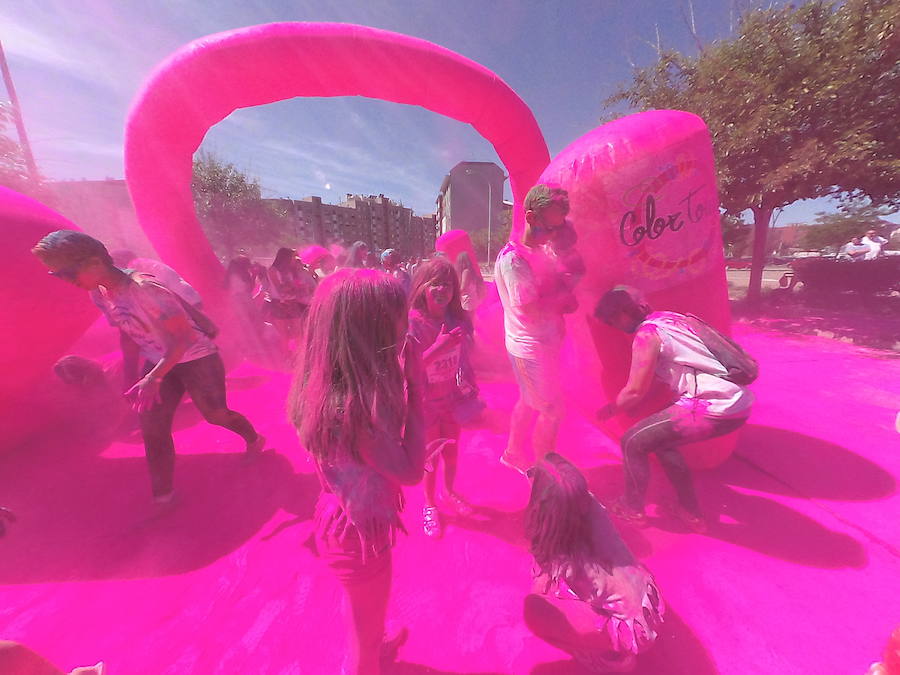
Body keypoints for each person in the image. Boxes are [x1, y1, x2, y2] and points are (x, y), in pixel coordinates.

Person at [32, 231, 265, 504]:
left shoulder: (144, 288)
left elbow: (184, 339)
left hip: (196, 357)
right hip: (158, 362)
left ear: (94, 262)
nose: (67, 281)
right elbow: (127, 333)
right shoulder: (99, 294)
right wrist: (131, 376)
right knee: (152, 428)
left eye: (67, 273)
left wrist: (152, 379)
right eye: (57, 275)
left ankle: (254, 439)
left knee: (215, 414)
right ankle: (163, 498)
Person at [287, 268, 426, 675]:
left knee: (361, 608)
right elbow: (411, 470)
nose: (408, 323)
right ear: (374, 329)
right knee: (363, 650)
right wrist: (416, 387)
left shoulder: (323, 387)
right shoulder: (359, 411)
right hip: (358, 537)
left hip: (338, 520)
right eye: (400, 315)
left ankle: (369, 640)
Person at [594, 286, 754, 532]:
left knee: (631, 442)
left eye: (612, 319)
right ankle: (690, 513)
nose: (613, 325)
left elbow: (634, 390)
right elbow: (661, 377)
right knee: (660, 442)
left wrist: (610, 410)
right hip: (736, 402)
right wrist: (641, 405)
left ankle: (631, 508)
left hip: (713, 404)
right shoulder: (671, 319)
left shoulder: (646, 336)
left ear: (624, 312)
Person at [524, 453, 664, 673]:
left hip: (634, 632)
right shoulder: (591, 504)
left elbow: (541, 586)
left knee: (534, 610)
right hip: (648, 601)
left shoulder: (562, 554)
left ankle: (610, 658)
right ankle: (614, 646)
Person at [494, 183, 580, 474]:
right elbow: (530, 310)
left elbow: (551, 290)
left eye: (559, 228)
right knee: (552, 409)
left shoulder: (541, 250)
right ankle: (547, 474)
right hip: (530, 347)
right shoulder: (513, 259)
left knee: (529, 401)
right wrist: (565, 295)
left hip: (545, 342)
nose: (555, 235)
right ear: (530, 218)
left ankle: (513, 453)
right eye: (550, 228)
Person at [407, 258, 480, 538]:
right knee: (431, 457)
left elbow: (463, 358)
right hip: (426, 405)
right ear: (422, 287)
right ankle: (429, 504)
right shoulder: (413, 323)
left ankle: (449, 492)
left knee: (451, 451)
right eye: (435, 283)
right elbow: (408, 369)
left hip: (451, 399)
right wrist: (439, 347)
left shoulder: (454, 319)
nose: (442, 290)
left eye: (448, 284)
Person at [110, 249, 203, 307]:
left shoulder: (136, 266)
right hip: (191, 298)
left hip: (186, 304)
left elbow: (158, 290)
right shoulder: (145, 263)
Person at [265, 248, 317, 349]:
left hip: (292, 303)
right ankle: (285, 357)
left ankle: (297, 357)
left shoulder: (291, 271)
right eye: (292, 257)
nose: (294, 259)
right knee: (283, 334)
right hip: (279, 304)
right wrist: (295, 287)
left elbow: (295, 286)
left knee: (298, 333)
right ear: (285, 257)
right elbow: (280, 288)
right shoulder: (273, 270)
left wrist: (300, 287)